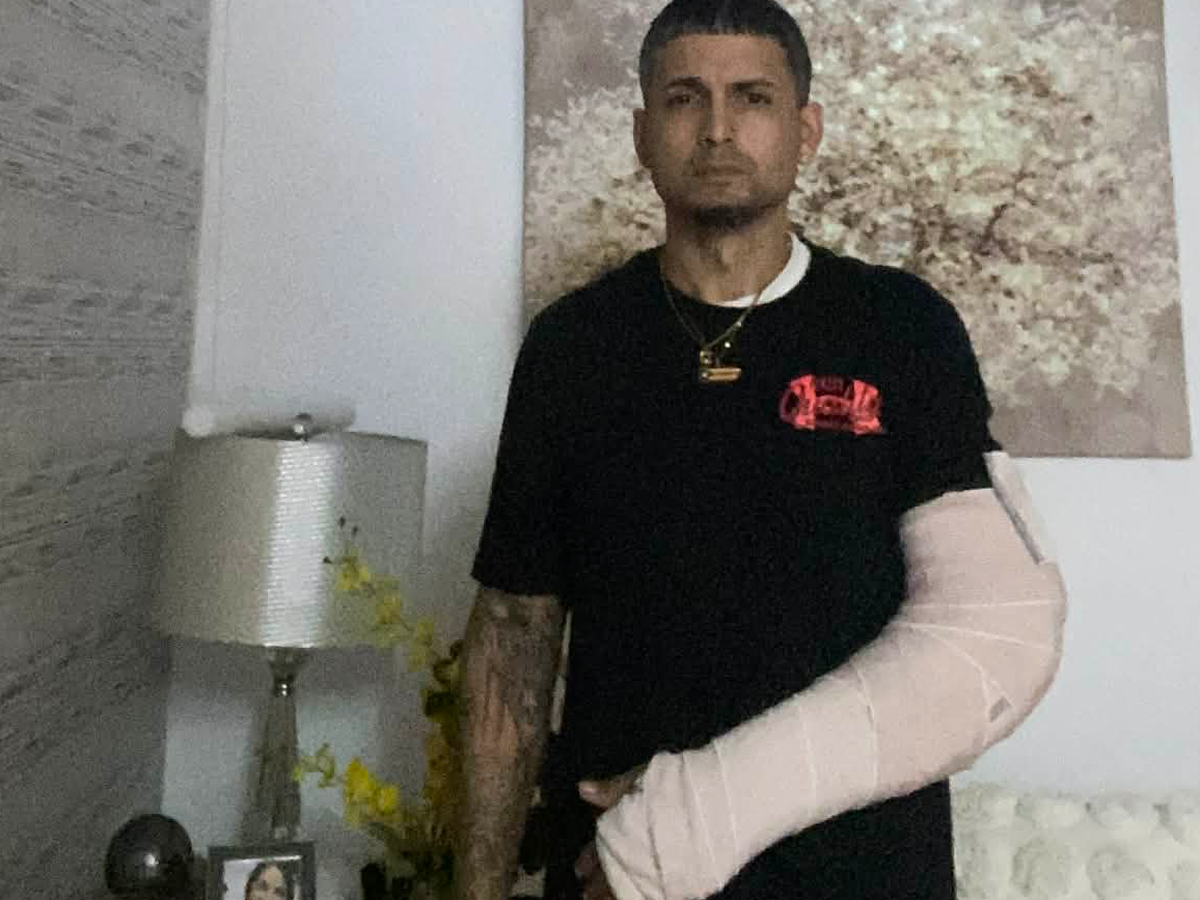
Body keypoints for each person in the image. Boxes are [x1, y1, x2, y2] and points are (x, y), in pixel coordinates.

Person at [454, 2, 1066, 900]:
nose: (717, 128)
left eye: (752, 97)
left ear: (805, 130)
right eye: (683, 99)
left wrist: (696, 813)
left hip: (862, 878)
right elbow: (514, 633)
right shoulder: (571, 348)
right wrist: (474, 888)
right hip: (618, 873)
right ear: (641, 135)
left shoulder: (903, 329)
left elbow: (994, 633)